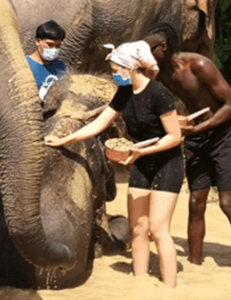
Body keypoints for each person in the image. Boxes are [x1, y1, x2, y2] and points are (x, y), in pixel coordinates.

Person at [45, 41, 184, 288]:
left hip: (166, 163)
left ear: (130, 68)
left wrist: (141, 151)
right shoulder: (124, 93)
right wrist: (65, 139)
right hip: (140, 160)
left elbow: (174, 137)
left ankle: (169, 289)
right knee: (138, 229)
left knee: (158, 228)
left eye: (115, 69)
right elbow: (100, 124)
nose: (113, 74)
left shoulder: (159, 94)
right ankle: (140, 285)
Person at [144, 22, 231, 273]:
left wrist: (199, 129)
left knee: (228, 204)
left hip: (226, 134)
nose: (144, 53)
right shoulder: (158, 73)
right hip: (197, 136)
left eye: (148, 49)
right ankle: (195, 266)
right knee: (196, 201)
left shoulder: (199, 66)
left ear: (163, 47)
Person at [26, 20, 68, 100]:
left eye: (57, 46)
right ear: (38, 41)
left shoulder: (62, 68)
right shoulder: (25, 65)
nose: (54, 49)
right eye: (50, 44)